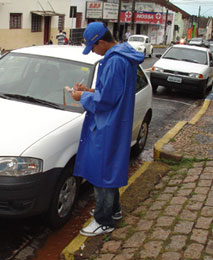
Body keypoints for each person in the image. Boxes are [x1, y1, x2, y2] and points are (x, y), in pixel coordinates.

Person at [69, 22, 144, 236]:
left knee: (101, 171)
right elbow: (110, 91)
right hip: (117, 120)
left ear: (101, 42)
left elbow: (105, 100)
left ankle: (104, 220)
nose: (92, 51)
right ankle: (114, 210)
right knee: (109, 168)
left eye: (93, 47)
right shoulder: (123, 56)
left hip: (109, 122)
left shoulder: (115, 62)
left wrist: (81, 96)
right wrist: (90, 89)